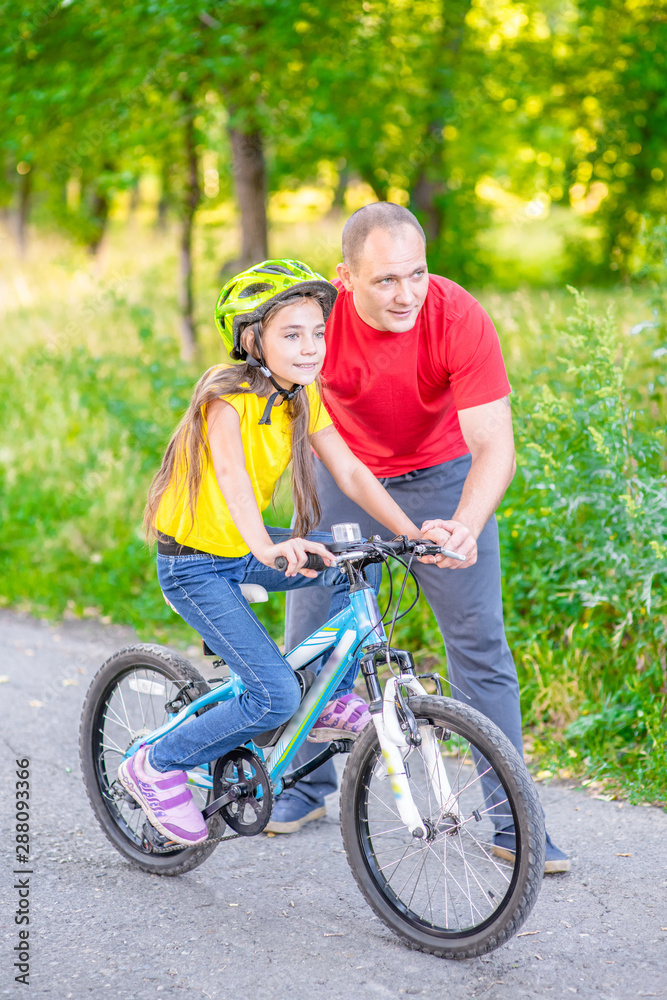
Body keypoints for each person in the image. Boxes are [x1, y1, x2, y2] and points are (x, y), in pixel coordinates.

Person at [269, 206, 570, 875]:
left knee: (479, 646)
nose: (406, 294)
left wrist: (464, 523)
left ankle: (512, 822)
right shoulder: (315, 322)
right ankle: (304, 786)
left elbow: (495, 446)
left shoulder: (455, 316)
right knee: (315, 636)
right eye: (385, 281)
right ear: (344, 278)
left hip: (442, 479)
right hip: (344, 476)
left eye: (416, 273)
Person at [118, 258, 450, 847]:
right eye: (292, 335)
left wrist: (411, 531)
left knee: (353, 562)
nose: (310, 347)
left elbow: (347, 467)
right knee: (271, 695)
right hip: (195, 563)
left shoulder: (302, 396)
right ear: (253, 340)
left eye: (318, 332)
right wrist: (268, 546)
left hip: (243, 552)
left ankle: (327, 697)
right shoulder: (225, 399)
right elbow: (233, 479)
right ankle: (156, 764)